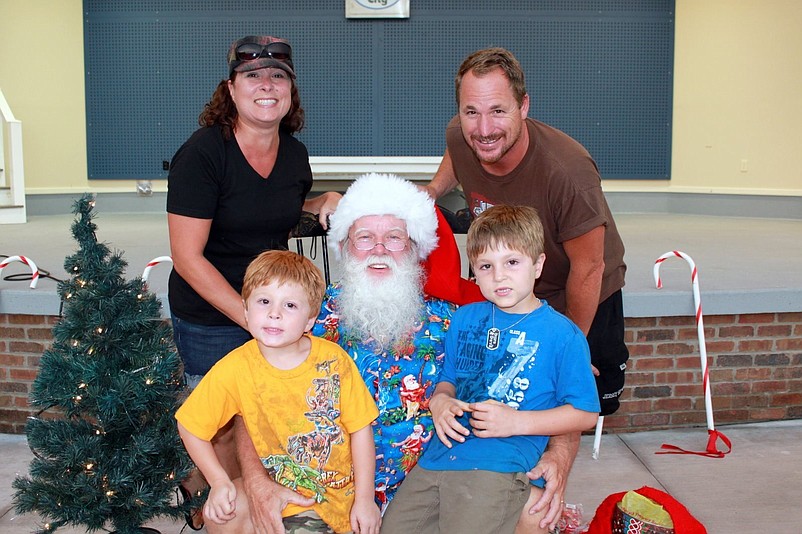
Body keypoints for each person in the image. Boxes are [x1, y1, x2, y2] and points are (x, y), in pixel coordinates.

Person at [232, 173, 577, 533]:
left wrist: (559, 455)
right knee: (229, 509)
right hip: (323, 482)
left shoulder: (459, 322)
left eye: (394, 238)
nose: (379, 250)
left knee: (535, 510)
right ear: (345, 246)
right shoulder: (305, 312)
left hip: (429, 486)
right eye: (365, 237)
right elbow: (248, 394)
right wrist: (255, 479)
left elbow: (548, 382)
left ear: (415, 248)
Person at [167, 35, 340, 529]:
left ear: (291, 90)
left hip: (269, 305)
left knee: (263, 416)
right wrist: (246, 316)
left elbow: (275, 208)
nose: (266, 85)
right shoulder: (203, 155)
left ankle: (221, 493)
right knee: (222, 423)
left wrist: (321, 199)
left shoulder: (294, 155)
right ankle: (198, 493)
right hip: (211, 309)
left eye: (278, 76)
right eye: (253, 76)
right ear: (231, 88)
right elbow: (186, 256)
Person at [422, 47, 629, 418]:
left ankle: (552, 471)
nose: (483, 129)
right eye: (472, 112)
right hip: (508, 286)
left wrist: (566, 346)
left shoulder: (568, 173)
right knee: (505, 390)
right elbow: (458, 148)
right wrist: (435, 188)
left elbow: (589, 267)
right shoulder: (462, 133)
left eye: (498, 110)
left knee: (568, 399)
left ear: (524, 106)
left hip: (577, 290)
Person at [381, 205, 600, 534]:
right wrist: (440, 401)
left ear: (538, 264)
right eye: (486, 266)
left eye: (512, 262)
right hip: (439, 457)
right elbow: (450, 380)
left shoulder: (562, 335)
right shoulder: (466, 318)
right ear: (474, 272)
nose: (499, 276)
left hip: (498, 464)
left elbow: (585, 413)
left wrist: (516, 421)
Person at [176, 250, 380, 534]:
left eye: (290, 306)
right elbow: (190, 426)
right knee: (222, 513)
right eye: (264, 301)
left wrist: (365, 499)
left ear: (310, 320)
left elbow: (360, 429)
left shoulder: (334, 361)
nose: (274, 313)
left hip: (334, 497)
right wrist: (219, 481)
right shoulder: (235, 367)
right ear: (246, 309)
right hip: (276, 490)